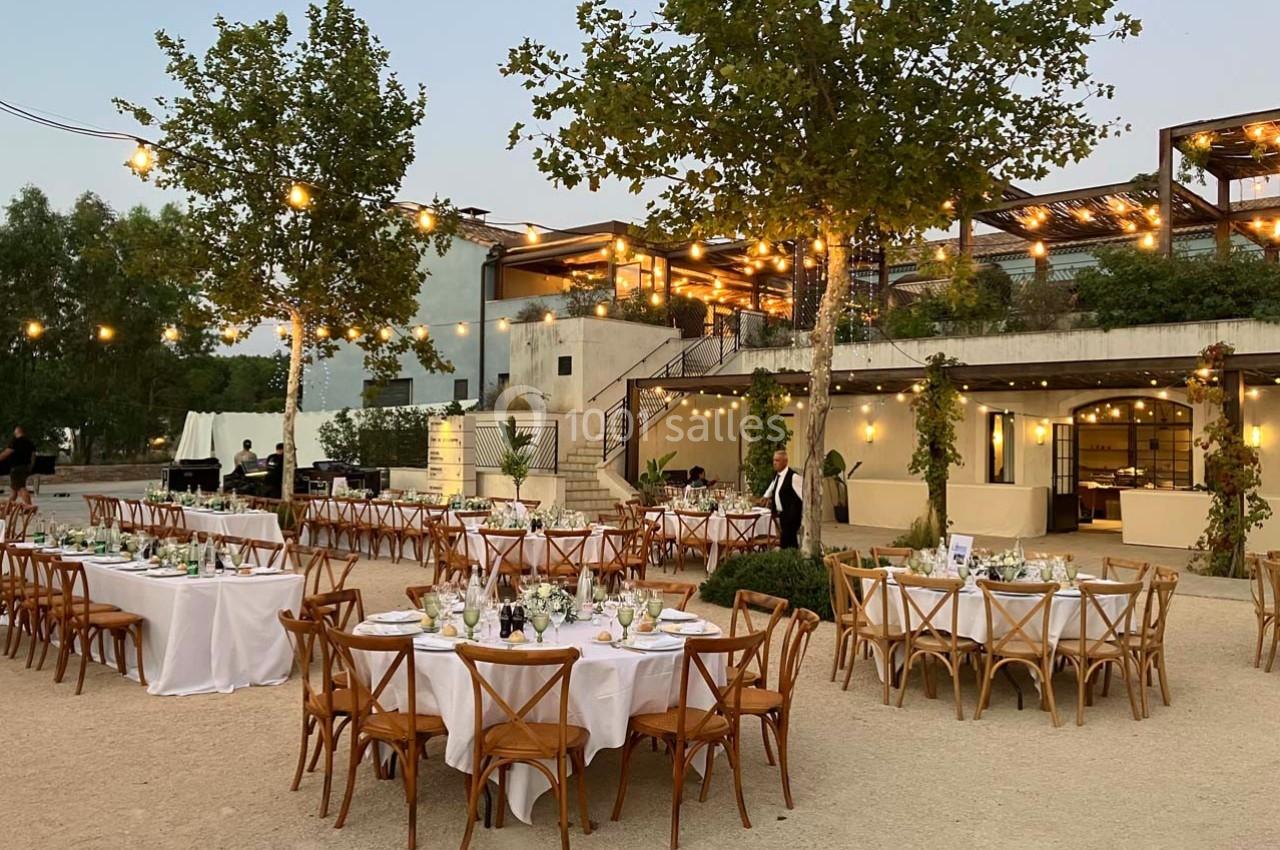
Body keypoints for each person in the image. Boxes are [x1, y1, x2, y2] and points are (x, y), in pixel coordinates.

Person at [758, 449, 802, 549]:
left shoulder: (793, 477)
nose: (774, 463)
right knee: (785, 541)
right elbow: (772, 486)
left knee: (789, 540)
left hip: (792, 515)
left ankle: (792, 559)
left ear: (785, 462)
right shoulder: (777, 475)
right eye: (774, 460)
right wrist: (765, 496)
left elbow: (803, 495)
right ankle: (788, 559)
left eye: (777, 460)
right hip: (782, 515)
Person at [0, 425, 37, 505]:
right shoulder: (29, 442)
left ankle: (29, 507)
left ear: (17, 431)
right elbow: (33, 456)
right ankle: (8, 508)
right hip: (25, 468)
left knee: (21, 488)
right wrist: (31, 466)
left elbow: (6, 453)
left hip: (16, 468)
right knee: (14, 490)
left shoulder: (15, 441)